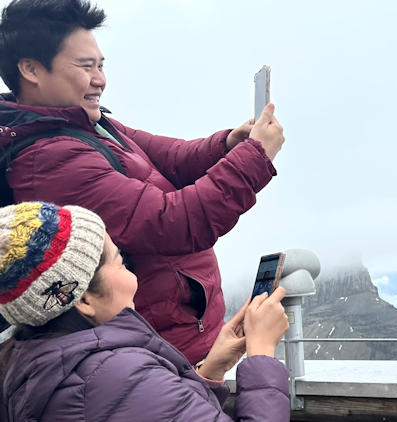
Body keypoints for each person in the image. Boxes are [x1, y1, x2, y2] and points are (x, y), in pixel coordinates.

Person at [0, 0, 285, 364]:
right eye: (85, 66)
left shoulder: (89, 123)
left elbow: (171, 158)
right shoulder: (48, 160)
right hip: (153, 357)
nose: (100, 79)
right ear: (31, 69)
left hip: (182, 340)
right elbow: (174, 222)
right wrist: (256, 157)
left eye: (101, 65)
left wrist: (229, 144)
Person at [0, 202, 290, 421]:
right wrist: (262, 353)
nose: (133, 276)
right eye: (120, 262)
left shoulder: (33, 362)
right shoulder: (113, 376)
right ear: (83, 299)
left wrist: (211, 370)